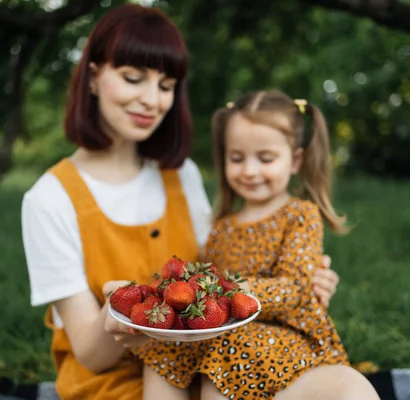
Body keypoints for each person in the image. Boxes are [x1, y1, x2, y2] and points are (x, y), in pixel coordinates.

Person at [20, 5, 340, 400]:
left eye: (166, 85)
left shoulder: (180, 174)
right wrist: (119, 312)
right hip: (115, 385)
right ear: (92, 77)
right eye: (133, 78)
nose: (152, 100)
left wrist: (304, 278)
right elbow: (90, 354)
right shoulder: (50, 199)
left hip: (206, 368)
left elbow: (221, 271)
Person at [136, 90, 380, 400]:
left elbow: (294, 289)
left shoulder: (299, 215)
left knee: (228, 348)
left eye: (265, 158)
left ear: (295, 160)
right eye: (237, 158)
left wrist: (230, 291)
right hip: (230, 332)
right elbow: (206, 290)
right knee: (164, 348)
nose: (249, 170)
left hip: (286, 334)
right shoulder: (221, 228)